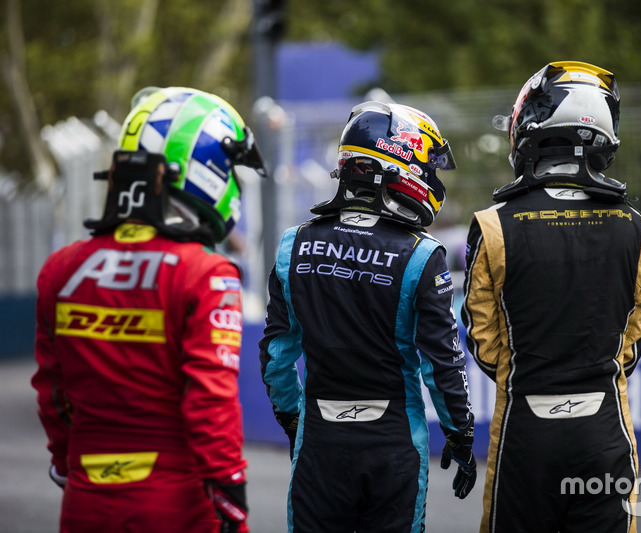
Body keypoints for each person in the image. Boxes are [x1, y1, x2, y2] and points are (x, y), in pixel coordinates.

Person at [32, 86, 267, 532]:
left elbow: (53, 395)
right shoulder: (207, 272)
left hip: (85, 499)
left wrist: (70, 463)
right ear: (206, 168)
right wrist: (231, 493)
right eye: (231, 168)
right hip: (176, 502)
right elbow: (209, 400)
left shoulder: (60, 270)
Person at [461, 61, 641, 533]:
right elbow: (635, 331)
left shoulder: (492, 225)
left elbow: (482, 337)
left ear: (530, 126)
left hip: (526, 427)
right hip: (604, 427)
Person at [259, 101, 476, 532]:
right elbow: (442, 362)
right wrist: (460, 433)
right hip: (393, 441)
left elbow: (278, 354)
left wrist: (290, 418)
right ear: (399, 165)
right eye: (427, 166)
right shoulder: (422, 254)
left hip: (319, 438)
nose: (432, 177)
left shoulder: (292, 244)